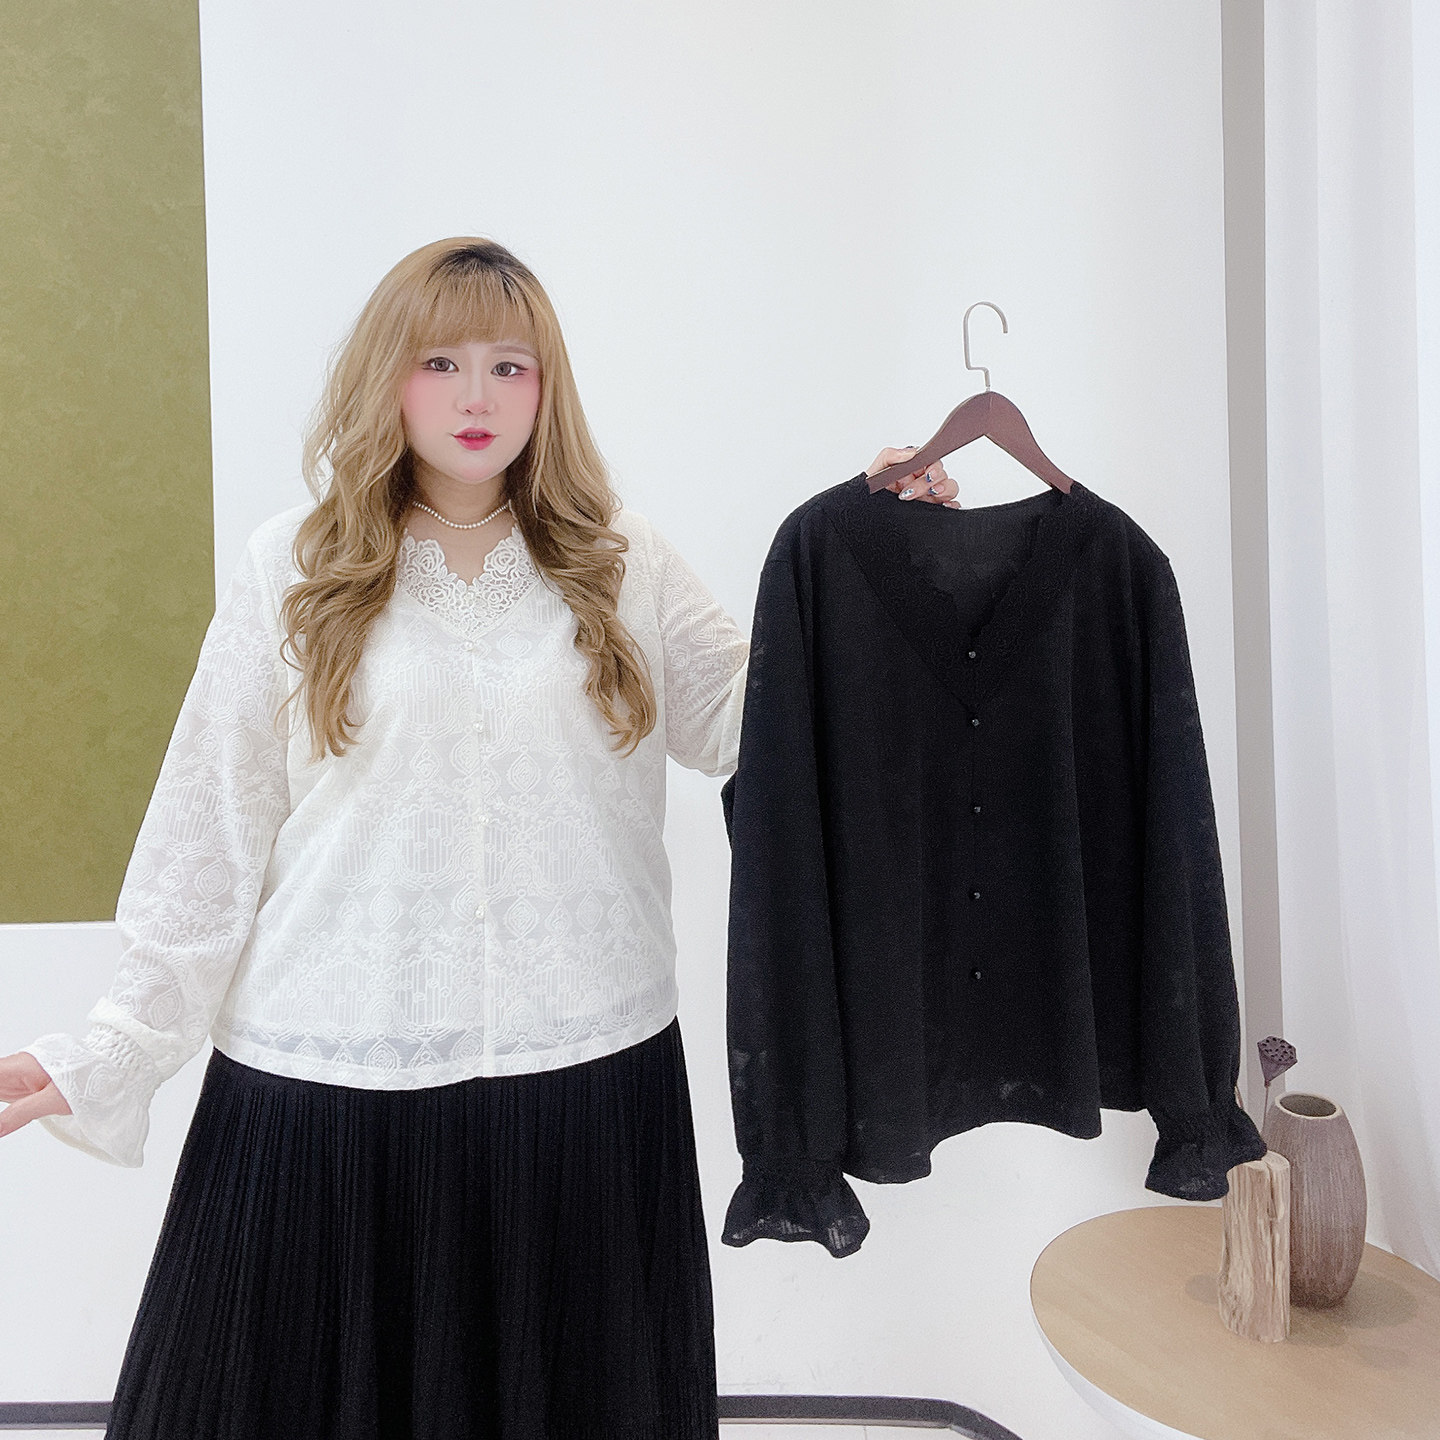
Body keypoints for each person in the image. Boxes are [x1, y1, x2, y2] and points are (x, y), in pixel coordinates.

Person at [0, 236, 957, 1439]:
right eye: (440, 362)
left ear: (546, 390)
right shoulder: (291, 565)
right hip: (332, 1079)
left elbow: (753, 724)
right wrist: (111, 1049)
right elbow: (211, 826)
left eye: (511, 366)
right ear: (387, 378)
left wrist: (868, 560)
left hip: (584, 1078)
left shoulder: (621, 561)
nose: (476, 396)